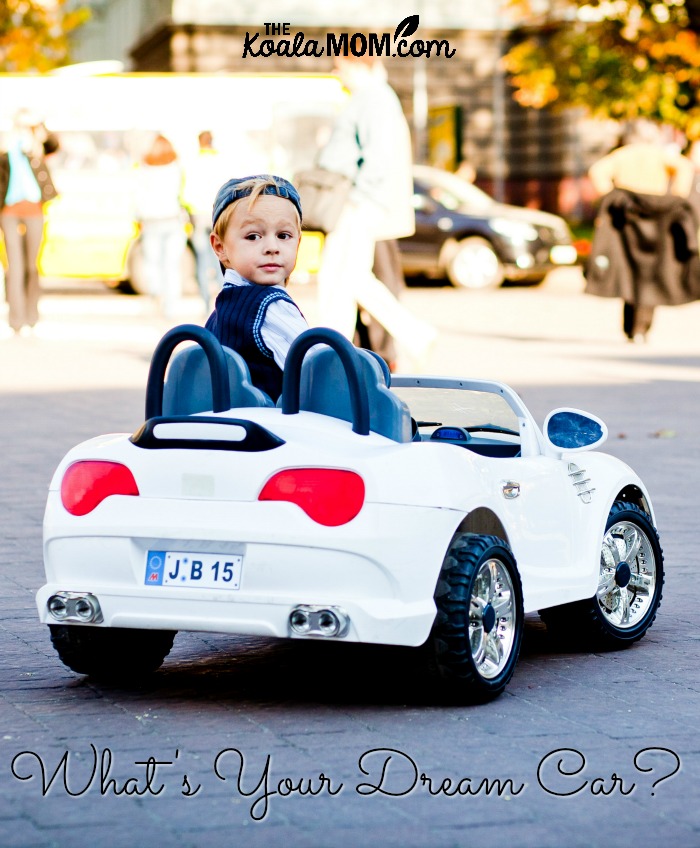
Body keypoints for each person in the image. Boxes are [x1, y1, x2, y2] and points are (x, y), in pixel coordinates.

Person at [315, 55, 435, 370]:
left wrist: (358, 198)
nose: (335, 74)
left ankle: (333, 352)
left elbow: (377, 155)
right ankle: (414, 335)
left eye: (340, 67)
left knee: (337, 278)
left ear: (358, 66)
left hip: (357, 201)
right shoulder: (374, 98)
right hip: (359, 200)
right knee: (350, 277)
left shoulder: (372, 99)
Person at [586, 121, 699, 342]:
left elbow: (597, 171)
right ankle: (641, 329)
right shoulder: (659, 154)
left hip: (628, 217)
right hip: (657, 217)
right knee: (651, 273)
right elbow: (685, 167)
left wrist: (611, 198)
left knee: (629, 271)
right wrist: (676, 196)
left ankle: (631, 328)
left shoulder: (622, 154)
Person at [205, 175, 307, 401]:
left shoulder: (221, 310)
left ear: (298, 243)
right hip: (274, 430)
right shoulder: (273, 308)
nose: (272, 247)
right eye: (253, 236)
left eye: (284, 236)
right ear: (220, 247)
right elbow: (318, 368)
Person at [0, 108, 59, 336]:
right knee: (14, 266)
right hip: (9, 211)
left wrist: (39, 127)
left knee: (31, 265)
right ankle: (16, 321)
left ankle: (32, 317)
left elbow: (54, 145)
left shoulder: (36, 148)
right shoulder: (5, 149)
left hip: (34, 210)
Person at [133, 134, 187, 319]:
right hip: (173, 219)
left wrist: (138, 218)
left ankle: (155, 295)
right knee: (171, 265)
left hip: (151, 220)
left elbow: (137, 195)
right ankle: (170, 307)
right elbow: (183, 193)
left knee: (152, 263)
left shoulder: (143, 168)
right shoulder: (176, 167)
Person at [182, 130, 226, 312]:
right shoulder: (221, 162)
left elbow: (185, 193)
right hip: (217, 214)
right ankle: (223, 300)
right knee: (221, 258)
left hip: (198, 216)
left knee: (202, 260)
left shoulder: (191, 163)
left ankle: (206, 303)